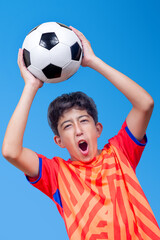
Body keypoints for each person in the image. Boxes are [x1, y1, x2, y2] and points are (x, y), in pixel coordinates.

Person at [2, 26, 160, 240]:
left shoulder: (120, 152)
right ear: (59, 141)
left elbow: (145, 104)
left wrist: (94, 62)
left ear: (98, 129)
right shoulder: (56, 175)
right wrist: (30, 86)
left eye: (83, 121)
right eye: (67, 126)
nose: (77, 130)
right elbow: (11, 151)